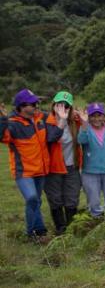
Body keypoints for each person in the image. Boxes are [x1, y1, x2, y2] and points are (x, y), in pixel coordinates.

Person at [1, 89, 63, 238]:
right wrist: (2, 119)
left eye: (36, 102)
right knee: (32, 198)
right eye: (32, 103)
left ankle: (40, 229)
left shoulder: (42, 118)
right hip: (23, 171)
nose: (36, 105)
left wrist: (63, 119)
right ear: (22, 106)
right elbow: (2, 137)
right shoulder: (12, 124)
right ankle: (31, 232)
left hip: (41, 169)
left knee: (37, 200)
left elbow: (54, 135)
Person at [44, 91, 85, 233]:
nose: (63, 108)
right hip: (53, 169)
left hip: (72, 167)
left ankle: (72, 229)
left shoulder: (74, 122)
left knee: (72, 198)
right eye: (60, 104)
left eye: (66, 105)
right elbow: (50, 139)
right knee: (55, 200)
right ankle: (60, 229)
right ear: (53, 105)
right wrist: (61, 121)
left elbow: (88, 131)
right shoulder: (47, 122)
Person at [78, 103, 105, 221]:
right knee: (93, 201)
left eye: (99, 115)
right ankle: (97, 223)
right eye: (93, 116)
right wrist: (84, 124)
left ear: (104, 116)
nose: (96, 119)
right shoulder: (85, 129)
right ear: (89, 117)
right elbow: (81, 140)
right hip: (90, 172)